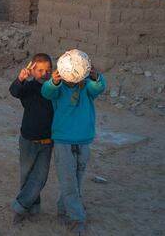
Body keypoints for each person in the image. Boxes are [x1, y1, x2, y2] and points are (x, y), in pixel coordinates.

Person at [41, 66, 106, 235]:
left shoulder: (87, 88)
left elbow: (99, 87)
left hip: (84, 141)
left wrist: (95, 77)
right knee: (69, 181)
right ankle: (77, 218)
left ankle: (63, 210)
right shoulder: (58, 88)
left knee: (76, 179)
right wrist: (53, 81)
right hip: (63, 141)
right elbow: (46, 92)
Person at [9, 53, 54, 225]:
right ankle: (30, 208)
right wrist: (21, 78)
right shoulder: (28, 87)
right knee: (27, 176)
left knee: (41, 177)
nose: (44, 73)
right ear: (32, 70)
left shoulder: (53, 89)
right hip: (28, 139)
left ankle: (20, 206)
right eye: (40, 70)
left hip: (47, 141)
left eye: (47, 70)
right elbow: (14, 91)